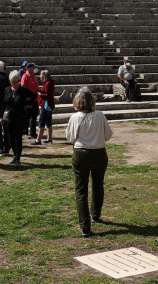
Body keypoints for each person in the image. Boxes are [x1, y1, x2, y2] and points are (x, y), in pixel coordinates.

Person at [65, 87, 113, 237]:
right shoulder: (99, 115)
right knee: (98, 185)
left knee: (81, 189)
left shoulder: (75, 118)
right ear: (92, 101)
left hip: (81, 154)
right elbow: (108, 135)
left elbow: (70, 138)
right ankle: (95, 214)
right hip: (99, 152)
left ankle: (85, 226)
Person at [3, 70, 37, 167]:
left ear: (19, 81)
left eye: (14, 82)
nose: (13, 84)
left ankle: (18, 158)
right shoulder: (7, 90)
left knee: (18, 138)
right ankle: (14, 154)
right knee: (11, 137)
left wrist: (27, 105)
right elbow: (3, 103)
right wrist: (1, 116)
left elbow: (34, 97)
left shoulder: (23, 90)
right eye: (11, 82)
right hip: (9, 117)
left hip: (19, 117)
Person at [33, 70, 55, 145]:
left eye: (41, 75)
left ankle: (38, 140)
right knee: (48, 122)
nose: (40, 77)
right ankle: (49, 138)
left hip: (46, 106)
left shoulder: (47, 84)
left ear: (44, 76)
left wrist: (39, 94)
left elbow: (47, 95)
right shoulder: (49, 83)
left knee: (41, 122)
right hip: (50, 105)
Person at [21, 63, 40, 137]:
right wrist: (25, 100)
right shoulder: (25, 76)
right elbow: (23, 88)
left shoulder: (34, 76)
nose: (35, 69)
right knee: (27, 116)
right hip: (29, 99)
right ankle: (25, 131)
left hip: (35, 99)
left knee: (34, 116)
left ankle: (33, 132)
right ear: (30, 69)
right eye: (34, 68)